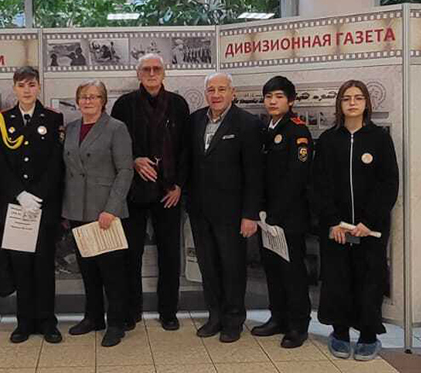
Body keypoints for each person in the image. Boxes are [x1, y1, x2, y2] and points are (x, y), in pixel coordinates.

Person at [312, 80, 399, 362]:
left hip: (369, 230)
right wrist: (332, 221)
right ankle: (339, 332)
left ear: (366, 103)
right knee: (337, 279)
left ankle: (368, 335)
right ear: (339, 104)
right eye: (346, 98)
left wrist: (369, 221)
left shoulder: (380, 139)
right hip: (336, 229)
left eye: (358, 98)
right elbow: (319, 185)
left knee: (369, 280)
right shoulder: (328, 140)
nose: (352, 103)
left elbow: (389, 184)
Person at [110, 54, 190, 331]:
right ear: (138, 74)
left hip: (169, 191)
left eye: (157, 68)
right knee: (130, 254)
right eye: (146, 69)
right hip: (134, 190)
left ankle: (169, 311)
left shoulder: (178, 104)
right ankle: (131, 310)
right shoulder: (124, 105)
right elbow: (115, 145)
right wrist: (134, 160)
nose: (152, 73)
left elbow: (185, 149)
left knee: (170, 254)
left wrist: (179, 185)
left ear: (164, 73)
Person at [186, 72, 263, 344]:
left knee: (232, 268)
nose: (216, 94)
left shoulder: (247, 123)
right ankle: (215, 316)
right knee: (208, 267)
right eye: (211, 90)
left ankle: (233, 321)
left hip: (233, 213)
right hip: (200, 211)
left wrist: (250, 214)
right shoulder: (195, 120)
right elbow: (189, 162)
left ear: (233, 92)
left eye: (222, 89)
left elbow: (254, 173)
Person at [0, 66, 65, 344]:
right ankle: (24, 323)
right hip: (15, 207)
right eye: (21, 85)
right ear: (14, 88)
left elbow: (56, 162)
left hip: (43, 207)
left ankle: (47, 322)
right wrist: (19, 194)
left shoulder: (53, 118)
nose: (27, 90)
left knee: (44, 266)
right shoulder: (3, 119)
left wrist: (37, 195)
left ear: (38, 87)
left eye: (31, 85)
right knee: (20, 267)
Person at [62, 80, 133, 347]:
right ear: (77, 101)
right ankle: (93, 317)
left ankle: (116, 323)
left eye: (94, 96)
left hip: (105, 212)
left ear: (103, 101)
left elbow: (125, 170)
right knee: (88, 270)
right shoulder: (71, 128)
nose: (88, 101)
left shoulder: (116, 128)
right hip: (78, 209)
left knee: (112, 273)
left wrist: (111, 209)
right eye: (83, 97)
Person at [251, 76, 312, 348]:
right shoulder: (266, 130)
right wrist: (262, 212)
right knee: (272, 269)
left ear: (291, 100)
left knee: (292, 272)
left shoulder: (298, 131)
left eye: (278, 96)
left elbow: (297, 177)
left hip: (289, 217)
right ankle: (278, 318)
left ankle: (298, 325)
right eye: (268, 97)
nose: (272, 101)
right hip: (267, 217)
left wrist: (276, 213)